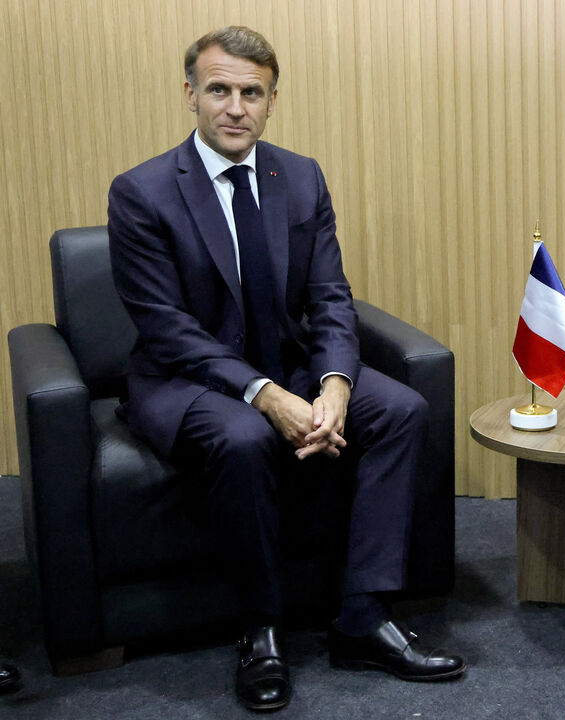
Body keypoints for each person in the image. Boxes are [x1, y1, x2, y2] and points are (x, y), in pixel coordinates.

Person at [107, 27, 464, 712]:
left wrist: (334, 384)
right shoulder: (142, 192)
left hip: (292, 366)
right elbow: (166, 328)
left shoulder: (299, 176)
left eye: (251, 92)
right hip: (186, 381)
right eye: (219, 90)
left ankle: (362, 616)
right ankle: (261, 628)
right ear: (190, 95)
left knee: (400, 411)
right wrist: (266, 395)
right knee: (244, 437)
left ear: (271, 101)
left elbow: (332, 296)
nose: (235, 107)